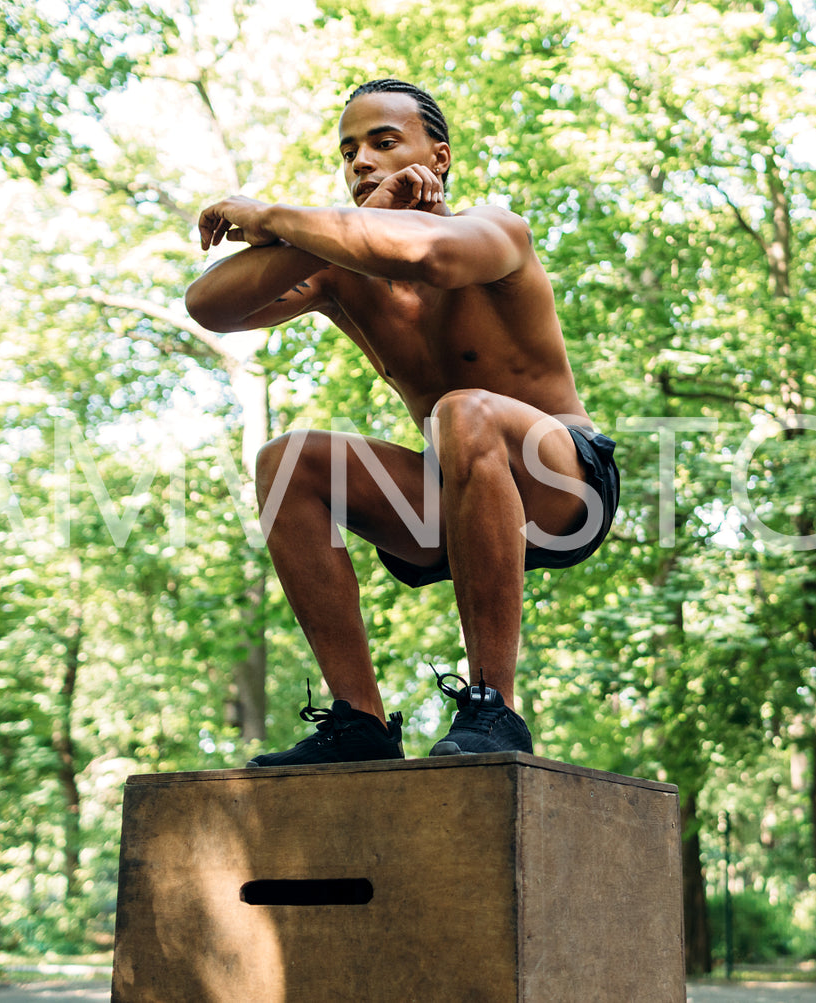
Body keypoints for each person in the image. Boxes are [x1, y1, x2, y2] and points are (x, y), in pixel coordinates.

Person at [185, 79, 619, 766]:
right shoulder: (337, 275)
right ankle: (358, 722)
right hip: (452, 500)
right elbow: (209, 305)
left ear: (438, 156)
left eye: (383, 143)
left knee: (461, 410)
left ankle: (492, 708)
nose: (360, 161)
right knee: (285, 460)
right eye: (349, 150)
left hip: (560, 483)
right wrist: (315, 235)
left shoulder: (491, 232)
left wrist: (271, 214)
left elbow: (429, 255)